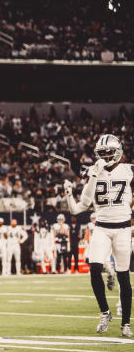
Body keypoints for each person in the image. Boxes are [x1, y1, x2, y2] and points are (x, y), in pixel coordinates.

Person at [63, 133, 133, 337]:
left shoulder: (129, 171)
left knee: (123, 277)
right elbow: (77, 209)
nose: (104, 156)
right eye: (101, 153)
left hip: (122, 228)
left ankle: (126, 324)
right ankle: (105, 312)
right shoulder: (94, 174)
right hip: (101, 227)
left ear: (117, 151)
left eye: (107, 152)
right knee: (94, 269)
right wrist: (70, 193)